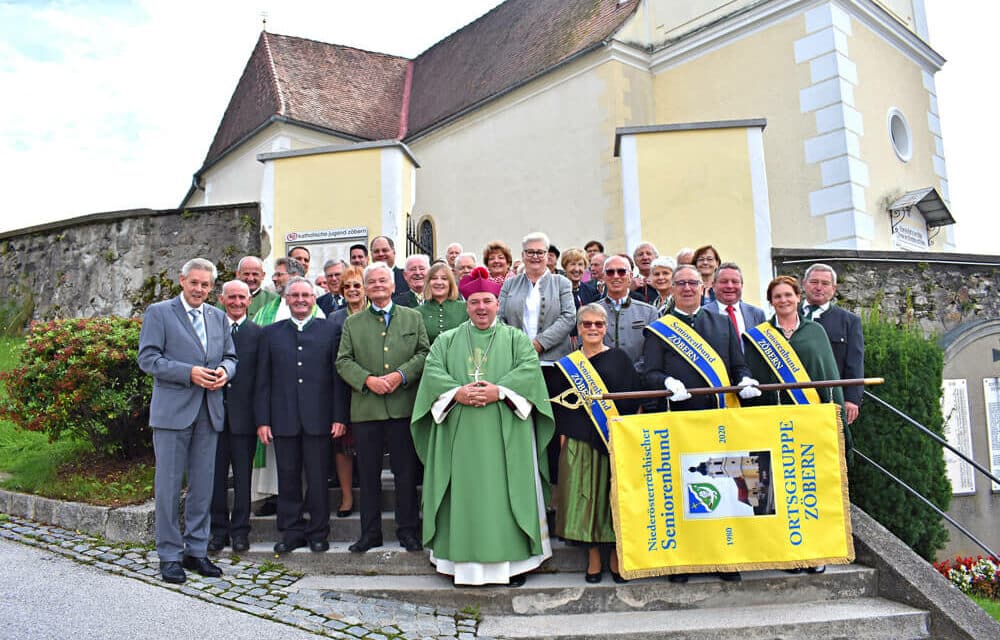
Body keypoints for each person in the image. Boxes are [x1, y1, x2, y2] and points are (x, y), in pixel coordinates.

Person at [411, 267, 554, 586]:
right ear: (466, 304)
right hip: (459, 435)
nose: (481, 307)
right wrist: (457, 392)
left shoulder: (516, 339)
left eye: (487, 301)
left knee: (505, 492)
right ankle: (460, 565)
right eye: (474, 301)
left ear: (497, 304)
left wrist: (499, 391)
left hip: (507, 432)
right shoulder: (447, 341)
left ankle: (515, 565)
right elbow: (433, 372)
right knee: (465, 495)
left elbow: (529, 371)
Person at [643, 264, 760, 583]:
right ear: (673, 289)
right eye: (680, 283)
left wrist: (746, 379)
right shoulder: (660, 328)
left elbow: (739, 365)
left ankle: (725, 558)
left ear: (703, 287)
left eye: (693, 283)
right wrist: (666, 380)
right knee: (685, 489)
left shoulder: (722, 323)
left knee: (725, 486)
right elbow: (649, 371)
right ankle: (685, 561)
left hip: (720, 418)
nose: (687, 288)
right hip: (680, 420)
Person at [137, 258, 237, 584]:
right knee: (167, 487)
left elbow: (231, 357)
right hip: (172, 413)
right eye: (194, 282)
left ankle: (196, 550)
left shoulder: (218, 317)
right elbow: (148, 358)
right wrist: (188, 373)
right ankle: (168, 554)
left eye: (205, 285)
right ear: (182, 280)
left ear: (212, 288)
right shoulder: (160, 312)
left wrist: (225, 371)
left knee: (202, 486)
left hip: (209, 411)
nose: (199, 289)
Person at [742, 275, 845, 576]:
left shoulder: (815, 333)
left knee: (813, 487)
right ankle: (785, 551)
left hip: (809, 422)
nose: (783, 300)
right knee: (776, 487)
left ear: (798, 297)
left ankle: (816, 552)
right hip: (772, 423)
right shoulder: (757, 336)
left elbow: (828, 374)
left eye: (788, 295)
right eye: (777, 297)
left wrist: (836, 419)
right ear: (770, 301)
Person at [336, 262, 429, 553]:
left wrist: (400, 375)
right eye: (372, 282)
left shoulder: (412, 318)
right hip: (367, 409)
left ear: (392, 286)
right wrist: (367, 380)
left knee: (404, 474)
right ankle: (370, 533)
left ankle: (408, 531)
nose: (377, 285)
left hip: (402, 408)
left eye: (382, 281)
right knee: (369, 473)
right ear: (365, 288)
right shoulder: (352, 323)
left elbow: (425, 353)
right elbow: (343, 361)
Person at [552, 304, 643, 584]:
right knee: (587, 501)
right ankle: (593, 557)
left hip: (613, 439)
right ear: (578, 329)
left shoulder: (619, 358)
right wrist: (564, 439)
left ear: (605, 328)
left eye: (598, 324)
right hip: (580, 441)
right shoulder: (568, 364)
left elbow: (634, 398)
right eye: (587, 324)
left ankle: (616, 556)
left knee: (612, 499)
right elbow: (561, 406)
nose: (592, 329)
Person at [254, 278, 343, 554]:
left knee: (317, 478)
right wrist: (263, 420)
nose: (301, 300)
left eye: (306, 295)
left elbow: (336, 379)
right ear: (287, 299)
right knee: (288, 477)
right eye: (295, 295)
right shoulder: (271, 333)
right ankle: (291, 531)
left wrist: (339, 416)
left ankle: (318, 532)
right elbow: (263, 381)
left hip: (319, 418)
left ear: (314, 299)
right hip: (283, 418)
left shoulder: (329, 330)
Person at [209, 280, 263, 555]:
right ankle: (218, 531)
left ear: (249, 301)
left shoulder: (257, 333)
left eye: (242, 297)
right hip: (214, 417)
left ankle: (241, 531)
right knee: (215, 478)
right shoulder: (210, 330)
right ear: (222, 299)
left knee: (243, 479)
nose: (237, 302)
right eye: (232, 297)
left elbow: (263, 380)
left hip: (245, 418)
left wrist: (261, 418)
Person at [326, 265, 368, 518]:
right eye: (348, 286)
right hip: (343, 388)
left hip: (370, 388)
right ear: (341, 291)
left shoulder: (375, 315)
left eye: (357, 285)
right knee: (342, 448)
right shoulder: (334, 318)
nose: (352, 290)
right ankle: (346, 496)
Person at [498, 232, 575, 362]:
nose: (535, 256)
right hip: (517, 358)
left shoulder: (562, 283)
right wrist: (518, 344)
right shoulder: (509, 284)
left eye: (540, 252)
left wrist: (539, 344)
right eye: (530, 252)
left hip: (554, 360)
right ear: (523, 255)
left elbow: (569, 317)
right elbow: (498, 317)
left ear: (547, 255)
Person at [802, 263, 864, 425]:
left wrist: (852, 399)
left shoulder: (849, 321)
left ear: (834, 289)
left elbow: (855, 363)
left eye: (825, 283)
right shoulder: (787, 315)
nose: (819, 288)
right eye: (814, 282)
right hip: (794, 397)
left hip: (831, 399)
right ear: (804, 284)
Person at [598, 255, 658, 372]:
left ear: (630, 276)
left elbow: (652, 351)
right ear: (604, 277)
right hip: (601, 381)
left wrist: (632, 372)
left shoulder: (649, 312)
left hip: (639, 381)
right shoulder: (590, 311)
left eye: (621, 272)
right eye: (610, 272)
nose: (616, 276)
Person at [705, 262, 766, 343]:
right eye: (724, 281)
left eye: (735, 282)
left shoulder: (757, 314)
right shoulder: (703, 314)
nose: (730, 286)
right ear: (713, 285)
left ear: (742, 285)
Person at [254, 257, 325, 325]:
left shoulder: (314, 312)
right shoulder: (265, 311)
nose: (274, 279)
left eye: (279, 275)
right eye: (274, 275)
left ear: (294, 276)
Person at [418, 262, 467, 343]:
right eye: (434, 278)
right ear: (428, 283)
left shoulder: (465, 308)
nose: (439, 282)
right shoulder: (417, 313)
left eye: (444, 278)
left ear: (450, 283)